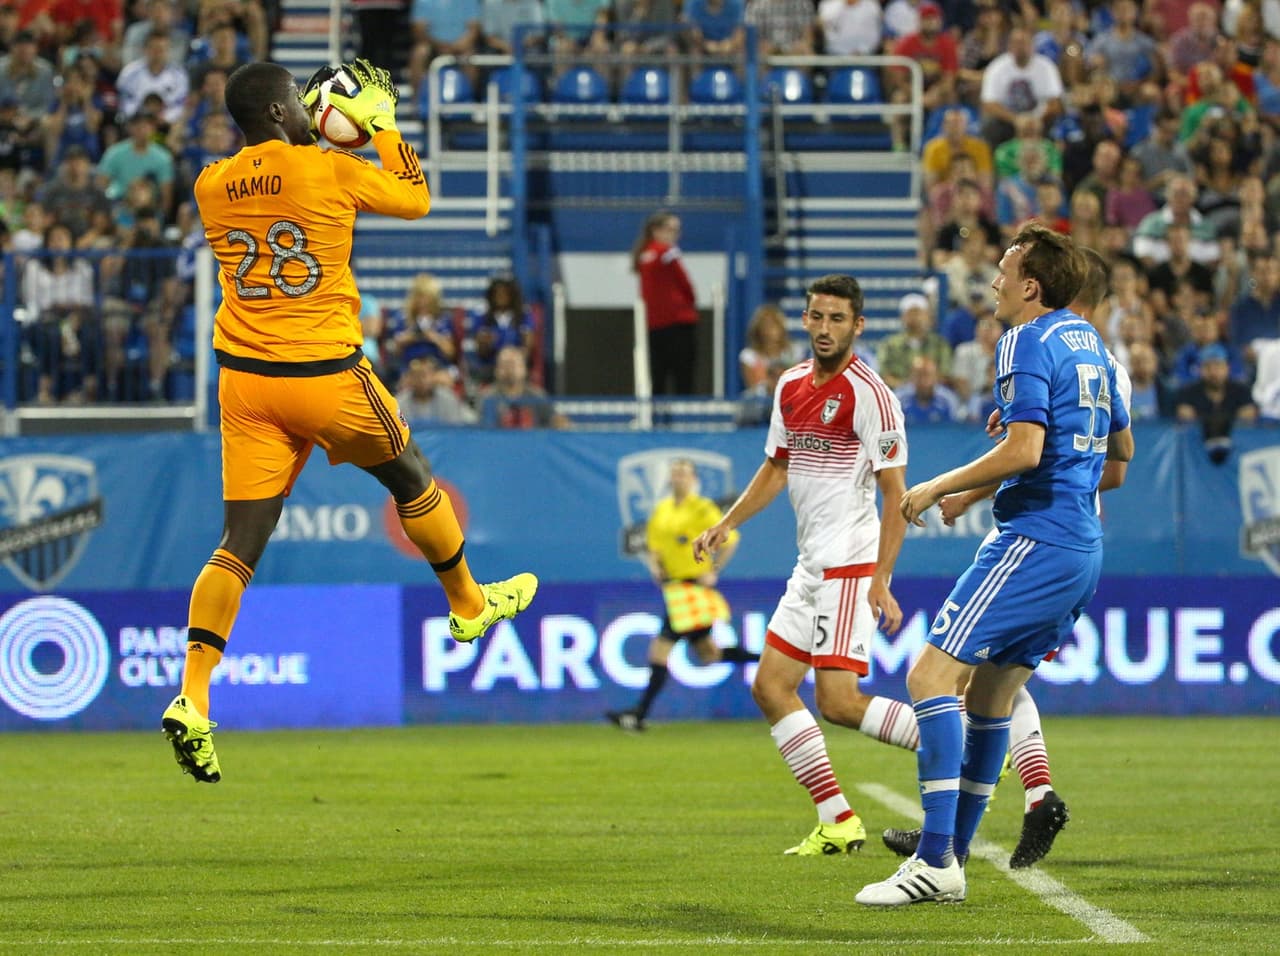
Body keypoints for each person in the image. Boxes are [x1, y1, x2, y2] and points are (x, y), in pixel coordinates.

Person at [161, 59, 537, 784]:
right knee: (411, 478)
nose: (308, 112)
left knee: (238, 542)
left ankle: (195, 697)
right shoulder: (326, 171)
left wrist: (327, 131)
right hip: (323, 374)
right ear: (276, 113)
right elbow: (416, 200)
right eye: (295, 105)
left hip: (244, 382)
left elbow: (275, 176)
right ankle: (467, 604)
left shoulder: (210, 184)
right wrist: (384, 127)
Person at [856, 224, 1133, 905]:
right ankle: (948, 858)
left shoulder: (1025, 339)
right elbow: (1117, 461)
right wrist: (1006, 469)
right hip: (1080, 549)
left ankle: (934, 861)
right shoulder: (1090, 345)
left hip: (1034, 540)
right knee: (989, 701)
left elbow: (1027, 450)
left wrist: (939, 486)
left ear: (1031, 286)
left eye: (1004, 272)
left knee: (930, 676)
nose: (993, 283)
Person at [692, 273, 918, 857]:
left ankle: (961, 744)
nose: (824, 328)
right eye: (816, 317)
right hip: (811, 566)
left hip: (850, 562)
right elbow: (776, 466)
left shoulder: (872, 394)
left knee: (839, 701)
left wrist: (881, 576)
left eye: (836, 319)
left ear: (858, 326)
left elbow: (898, 495)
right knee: (770, 687)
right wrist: (726, 523)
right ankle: (837, 818)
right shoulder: (790, 385)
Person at [605, 458, 756, 731]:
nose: (678, 478)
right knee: (708, 654)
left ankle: (638, 715)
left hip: (693, 589)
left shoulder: (703, 509)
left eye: (684, 474)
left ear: (694, 479)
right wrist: (654, 566)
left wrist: (714, 570)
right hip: (674, 588)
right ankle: (767, 659)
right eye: (675, 474)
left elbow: (731, 540)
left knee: (661, 649)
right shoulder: (662, 510)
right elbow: (653, 545)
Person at [633, 210, 699, 396]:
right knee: (683, 375)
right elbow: (685, 284)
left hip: (655, 324)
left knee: (659, 374)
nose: (676, 235)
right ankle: (685, 418)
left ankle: (658, 419)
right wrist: (690, 302)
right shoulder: (668, 253)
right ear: (656, 230)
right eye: (671, 229)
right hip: (679, 322)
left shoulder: (645, 255)